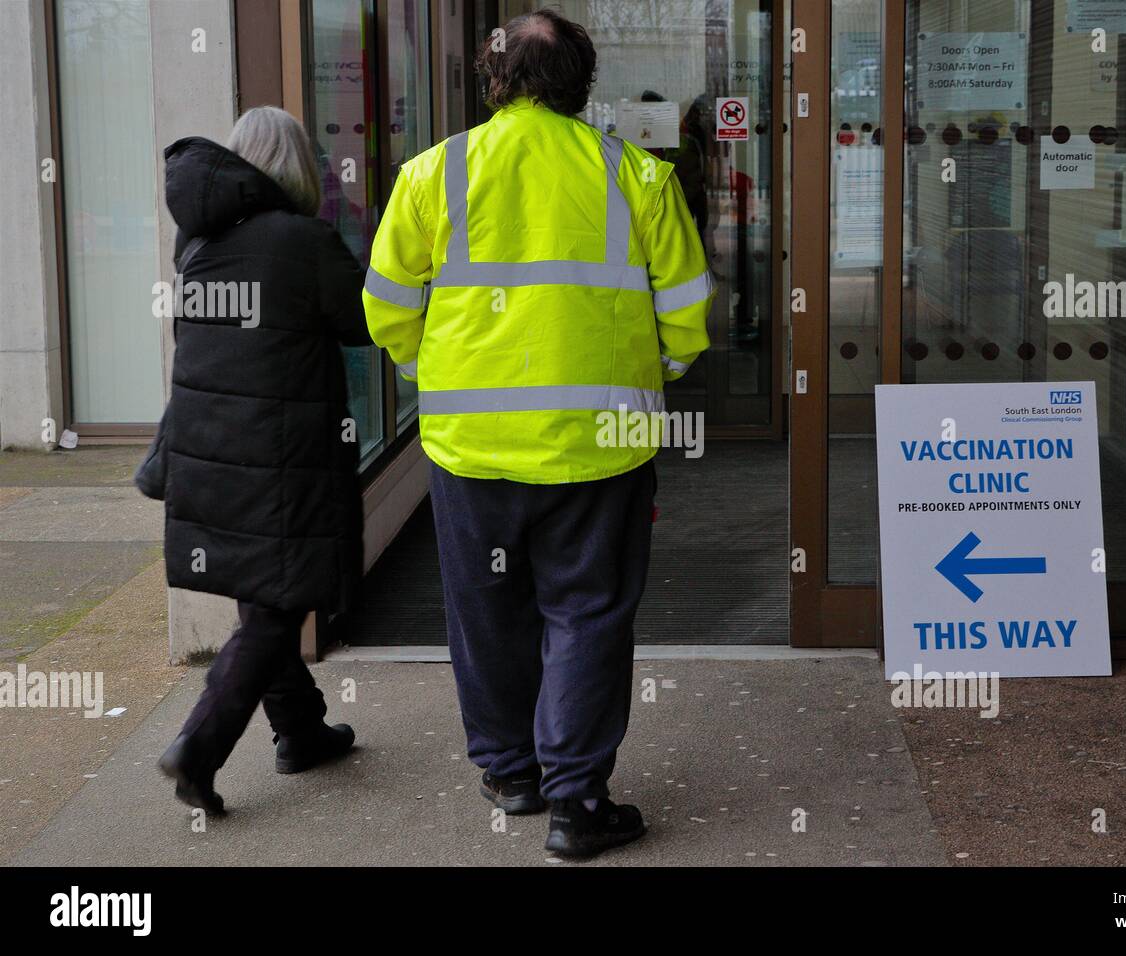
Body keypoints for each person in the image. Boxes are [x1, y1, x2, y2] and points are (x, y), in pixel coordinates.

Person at [363, 9, 713, 858]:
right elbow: (689, 318)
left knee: (485, 609)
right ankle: (577, 802)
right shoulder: (635, 174)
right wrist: (648, 381)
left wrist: (439, 378)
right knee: (588, 613)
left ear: (494, 80)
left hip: (469, 452)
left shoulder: (431, 174)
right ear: (581, 83)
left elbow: (386, 309)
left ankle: (512, 771)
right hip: (600, 449)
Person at [149, 107, 372, 814]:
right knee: (280, 605)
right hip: (279, 455)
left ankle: (300, 732)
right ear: (301, 167)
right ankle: (198, 746)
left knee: (264, 592)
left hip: (210, 448)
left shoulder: (197, 243)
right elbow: (363, 321)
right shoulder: (301, 241)